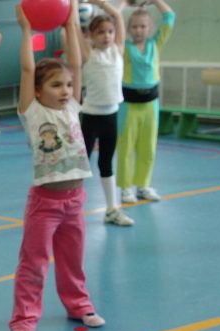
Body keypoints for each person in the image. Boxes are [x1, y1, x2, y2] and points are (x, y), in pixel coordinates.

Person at [10, 0, 105, 331]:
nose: (66, 91)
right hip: (45, 203)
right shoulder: (31, 112)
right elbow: (25, 69)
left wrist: (69, 23)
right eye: (56, 86)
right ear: (38, 91)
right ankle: (23, 321)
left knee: (73, 260)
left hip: (75, 200)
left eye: (68, 85)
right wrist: (25, 30)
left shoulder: (74, 107)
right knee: (34, 263)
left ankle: (79, 305)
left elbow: (77, 63)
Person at [77, 0, 134, 226]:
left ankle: (112, 209)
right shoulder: (88, 54)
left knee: (106, 163)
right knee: (82, 164)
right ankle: (72, 207)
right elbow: (73, 28)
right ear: (91, 35)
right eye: (100, 32)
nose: (107, 36)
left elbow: (119, 18)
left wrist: (99, 3)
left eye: (110, 32)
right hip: (90, 117)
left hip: (111, 116)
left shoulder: (117, 51)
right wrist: (73, 7)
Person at [116, 0, 174, 203]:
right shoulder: (123, 46)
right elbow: (115, 21)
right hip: (128, 105)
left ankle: (143, 185)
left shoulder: (154, 44)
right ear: (128, 28)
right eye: (134, 26)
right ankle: (125, 188)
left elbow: (170, 17)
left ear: (149, 28)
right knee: (126, 147)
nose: (138, 30)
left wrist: (156, 1)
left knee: (147, 147)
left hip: (151, 104)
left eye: (143, 26)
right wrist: (123, 5)